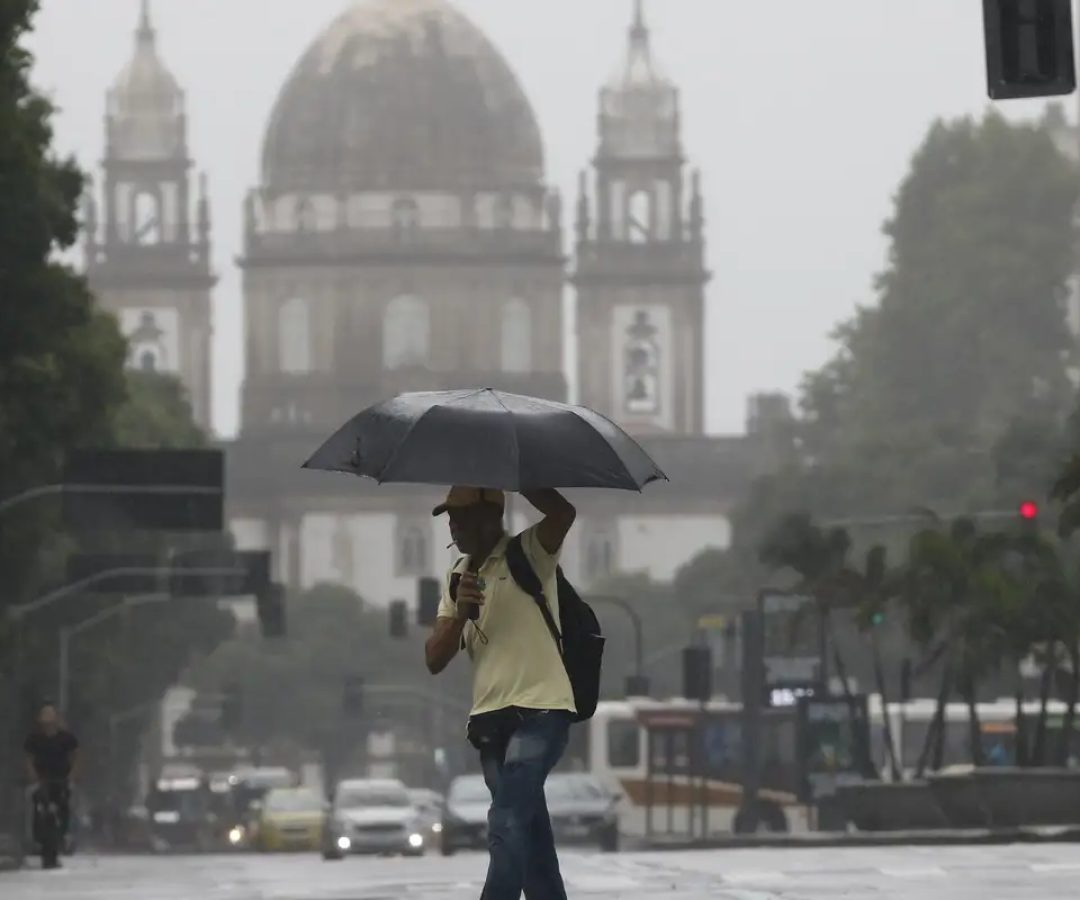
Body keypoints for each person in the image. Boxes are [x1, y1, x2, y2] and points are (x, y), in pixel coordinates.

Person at [425, 485, 577, 900]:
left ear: (491, 517)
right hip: (490, 722)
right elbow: (435, 658)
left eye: (461, 516)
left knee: (507, 819)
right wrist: (459, 612)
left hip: (541, 711)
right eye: (449, 517)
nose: (452, 525)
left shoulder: (528, 551)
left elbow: (563, 513)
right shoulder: (458, 573)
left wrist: (521, 474)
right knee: (532, 843)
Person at [24, 702, 79, 868]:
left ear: (56, 717)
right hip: (41, 781)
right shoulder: (34, 738)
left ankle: (64, 837)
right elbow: (28, 759)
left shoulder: (67, 738)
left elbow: (77, 757)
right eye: (44, 714)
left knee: (64, 811)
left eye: (49, 714)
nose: (47, 718)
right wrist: (32, 776)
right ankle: (36, 841)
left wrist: (72, 777)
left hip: (61, 780)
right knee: (38, 811)